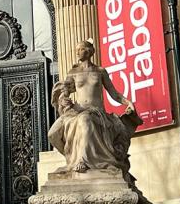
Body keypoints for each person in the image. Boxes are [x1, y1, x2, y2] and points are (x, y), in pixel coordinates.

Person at [48, 40, 141, 178]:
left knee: (85, 121)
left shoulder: (100, 71)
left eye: (81, 49)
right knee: (52, 134)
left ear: (90, 51)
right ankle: (71, 159)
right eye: (77, 50)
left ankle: (83, 159)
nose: (77, 52)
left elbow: (113, 93)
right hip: (76, 111)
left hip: (95, 112)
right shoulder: (73, 72)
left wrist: (128, 102)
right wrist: (63, 99)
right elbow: (65, 92)